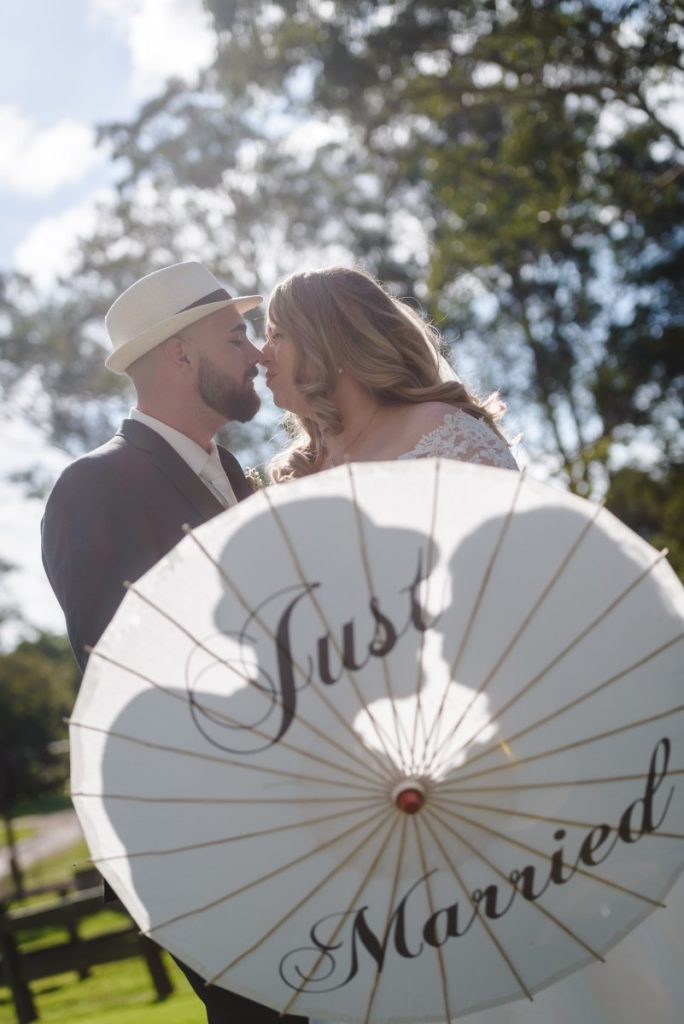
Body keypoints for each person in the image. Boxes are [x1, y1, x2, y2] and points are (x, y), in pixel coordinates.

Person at [41, 260, 308, 1024]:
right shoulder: (95, 489)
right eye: (237, 335)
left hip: (297, 821)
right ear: (180, 354)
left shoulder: (236, 476)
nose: (258, 352)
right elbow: (128, 680)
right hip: (206, 847)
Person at [259, 265, 518, 477]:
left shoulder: (442, 433)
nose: (262, 355)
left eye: (276, 336)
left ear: (332, 343)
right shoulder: (298, 472)